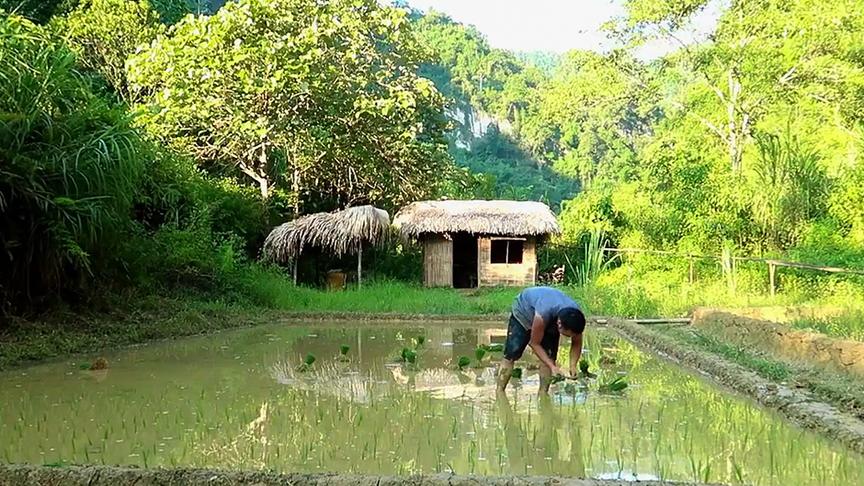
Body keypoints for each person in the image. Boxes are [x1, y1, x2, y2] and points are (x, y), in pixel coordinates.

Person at [496, 286, 586, 394]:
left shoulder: (576, 317)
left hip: (550, 311)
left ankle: (543, 394)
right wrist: (553, 367)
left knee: (549, 356)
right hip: (524, 310)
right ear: (559, 325)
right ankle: (500, 392)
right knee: (511, 354)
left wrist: (573, 366)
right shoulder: (543, 313)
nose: (569, 338)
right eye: (567, 335)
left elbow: (576, 343)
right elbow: (534, 343)